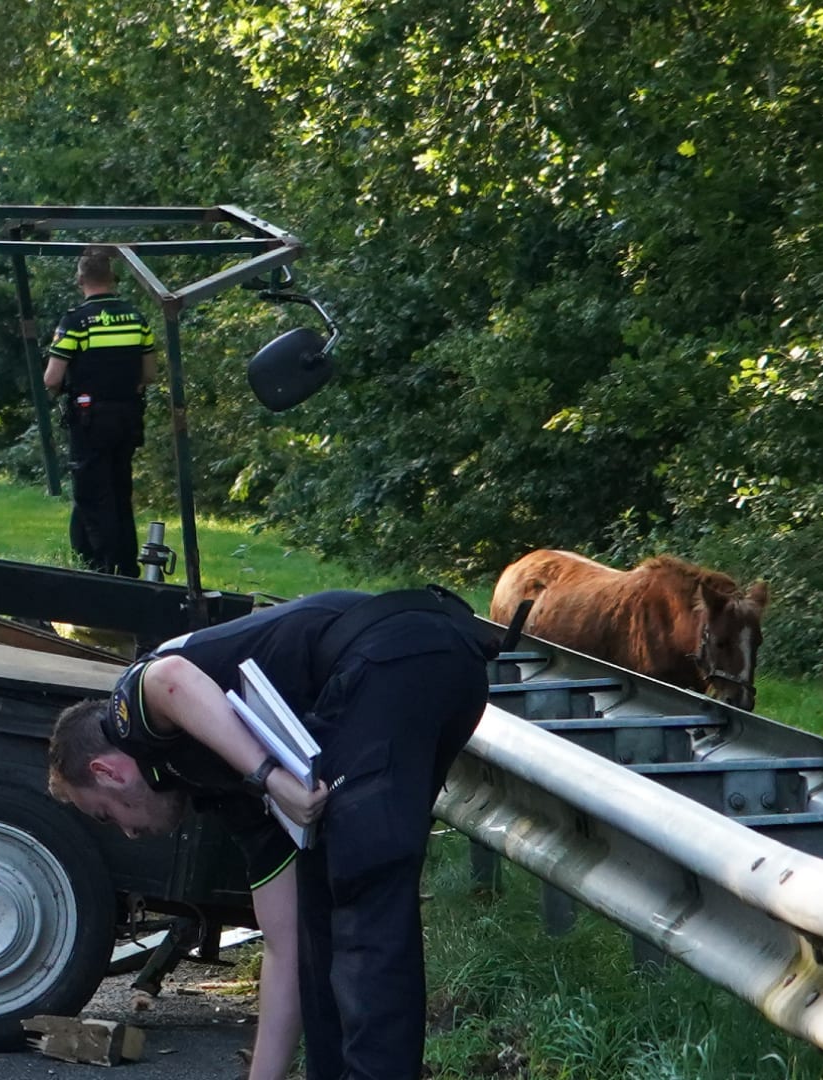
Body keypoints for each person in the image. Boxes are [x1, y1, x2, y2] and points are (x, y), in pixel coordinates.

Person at [45, 588, 494, 1080]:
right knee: (319, 914)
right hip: (430, 665)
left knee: (366, 894)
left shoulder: (129, 720)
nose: (130, 833)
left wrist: (270, 778)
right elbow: (283, 948)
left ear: (107, 772)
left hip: (391, 653)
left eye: (108, 816)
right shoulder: (222, 790)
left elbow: (169, 677)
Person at [44, 246, 154, 577]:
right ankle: (125, 563)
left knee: (93, 494)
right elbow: (149, 375)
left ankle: (104, 568)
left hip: (91, 419)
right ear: (113, 278)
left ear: (80, 279)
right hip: (127, 416)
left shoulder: (76, 321)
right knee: (121, 489)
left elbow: (52, 378)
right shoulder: (136, 318)